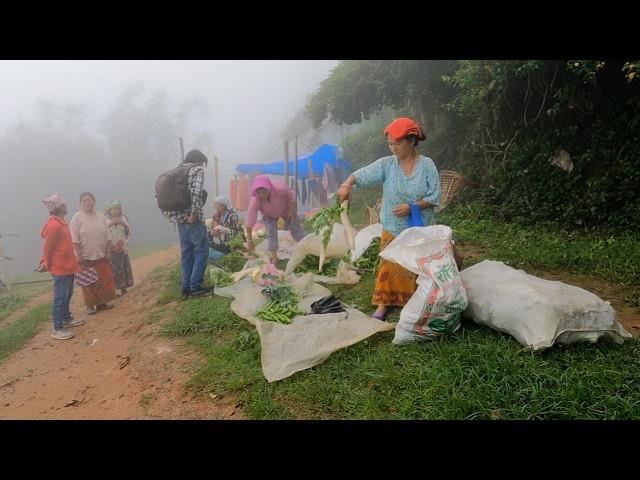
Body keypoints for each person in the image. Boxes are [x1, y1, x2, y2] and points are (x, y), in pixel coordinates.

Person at [336, 117, 441, 321]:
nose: (393, 148)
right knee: (388, 264)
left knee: (415, 265)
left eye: (398, 143)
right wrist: (346, 185)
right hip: (393, 226)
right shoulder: (386, 165)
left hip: (419, 227)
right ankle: (383, 304)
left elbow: (434, 196)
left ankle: (414, 300)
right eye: (390, 144)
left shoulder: (427, 165)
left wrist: (412, 207)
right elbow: (361, 174)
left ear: (411, 141)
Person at [161, 149, 213, 299]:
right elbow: (196, 192)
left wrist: (174, 217)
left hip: (180, 220)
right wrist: (194, 213)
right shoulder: (196, 170)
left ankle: (186, 289)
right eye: (202, 162)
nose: (202, 166)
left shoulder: (173, 172)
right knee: (201, 251)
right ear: (198, 159)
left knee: (186, 254)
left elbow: (159, 196)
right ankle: (195, 288)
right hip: (193, 218)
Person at [38, 193, 85, 340]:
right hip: (60, 268)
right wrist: (45, 263)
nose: (66, 206)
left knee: (67, 294)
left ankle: (66, 318)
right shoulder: (54, 226)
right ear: (59, 207)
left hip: (68, 266)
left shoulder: (61, 223)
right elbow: (48, 248)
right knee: (60, 297)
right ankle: (57, 328)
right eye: (64, 204)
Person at [69, 192, 117, 315]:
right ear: (81, 203)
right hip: (84, 256)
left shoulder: (101, 216)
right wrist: (79, 255)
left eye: (89, 200)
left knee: (102, 279)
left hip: (100, 254)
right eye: (84, 201)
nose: (87, 203)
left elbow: (108, 235)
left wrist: (108, 250)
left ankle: (102, 304)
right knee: (88, 281)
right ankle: (90, 306)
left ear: (93, 201)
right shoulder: (77, 218)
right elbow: (74, 238)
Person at [245, 175, 305, 264]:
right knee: (271, 233)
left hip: (286, 209)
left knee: (295, 229)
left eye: (263, 192)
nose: (262, 195)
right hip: (268, 215)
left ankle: (306, 248)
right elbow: (249, 221)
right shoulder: (255, 200)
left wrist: (292, 210)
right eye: (259, 193)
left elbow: (291, 196)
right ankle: (274, 258)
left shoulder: (280, 189)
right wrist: (249, 240)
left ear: (268, 189)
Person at [104, 200, 134, 296]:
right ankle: (114, 290)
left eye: (118, 209)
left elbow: (128, 232)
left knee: (123, 267)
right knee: (113, 269)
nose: (116, 211)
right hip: (112, 249)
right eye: (113, 209)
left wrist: (123, 224)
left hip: (122, 248)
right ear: (109, 210)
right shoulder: (106, 221)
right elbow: (104, 233)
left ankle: (123, 288)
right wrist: (111, 223)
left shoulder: (124, 219)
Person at [207, 196, 243, 262]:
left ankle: (225, 253)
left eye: (216, 204)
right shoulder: (216, 216)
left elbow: (235, 232)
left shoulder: (232, 216)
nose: (214, 206)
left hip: (229, 242)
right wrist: (212, 232)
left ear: (223, 206)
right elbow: (212, 228)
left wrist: (223, 230)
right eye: (214, 204)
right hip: (219, 240)